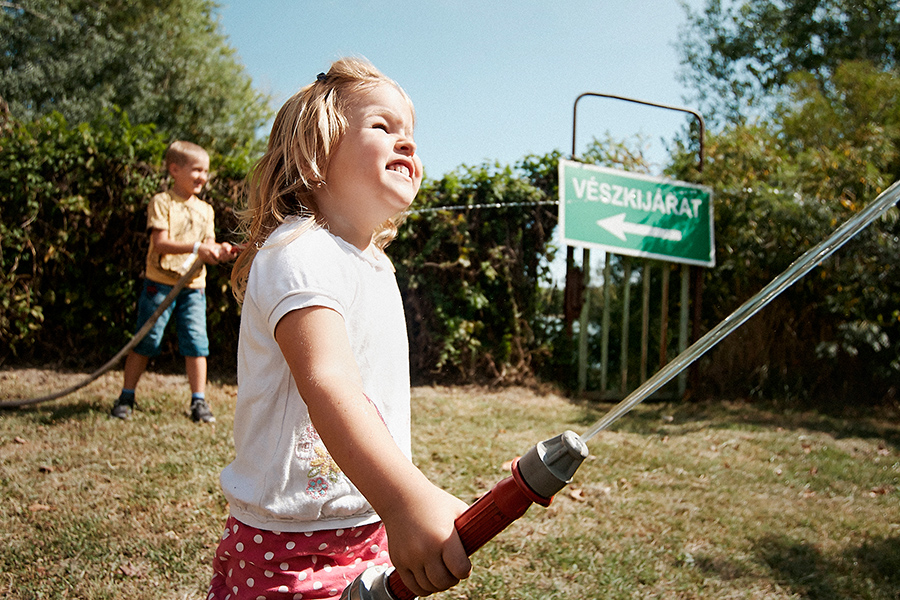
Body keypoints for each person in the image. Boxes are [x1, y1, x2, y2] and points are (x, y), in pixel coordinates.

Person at [207, 58, 472, 600]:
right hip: (291, 545)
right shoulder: (298, 250)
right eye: (383, 126)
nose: (408, 145)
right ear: (316, 149)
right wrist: (406, 499)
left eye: (412, 134)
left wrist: (389, 508)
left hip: (365, 521)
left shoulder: (375, 264)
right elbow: (328, 381)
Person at [110, 140, 237, 423]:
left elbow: (208, 246)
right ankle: (126, 396)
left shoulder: (206, 210)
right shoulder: (162, 202)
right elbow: (160, 243)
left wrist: (221, 252)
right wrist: (197, 248)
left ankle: (198, 402)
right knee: (147, 339)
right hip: (160, 284)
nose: (203, 177)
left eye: (206, 171)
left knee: (196, 343)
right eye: (196, 170)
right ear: (174, 170)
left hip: (193, 287)